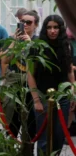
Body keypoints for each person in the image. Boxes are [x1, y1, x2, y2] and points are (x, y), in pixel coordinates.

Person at [28, 15, 75, 154]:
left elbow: (69, 71)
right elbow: (30, 75)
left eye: (56, 27)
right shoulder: (36, 47)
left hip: (63, 95)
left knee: (59, 135)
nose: (52, 31)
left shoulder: (66, 45)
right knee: (43, 137)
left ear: (61, 29)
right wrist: (36, 99)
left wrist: (73, 93)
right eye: (49, 27)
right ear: (44, 29)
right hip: (42, 95)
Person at [1, 10, 40, 142]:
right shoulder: (13, 39)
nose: (25, 25)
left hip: (31, 88)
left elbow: (38, 63)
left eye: (29, 22)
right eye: (22, 22)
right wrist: (14, 42)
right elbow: (5, 60)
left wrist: (30, 44)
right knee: (12, 124)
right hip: (14, 85)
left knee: (31, 126)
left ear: (36, 25)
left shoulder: (38, 42)